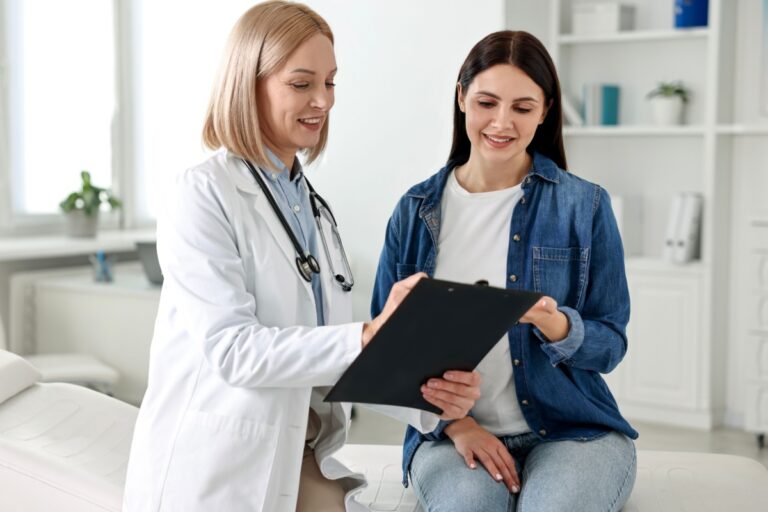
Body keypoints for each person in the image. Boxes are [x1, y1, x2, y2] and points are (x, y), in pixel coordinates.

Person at [122, 3, 481, 511]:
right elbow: (233, 350)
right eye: (301, 83)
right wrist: (365, 335)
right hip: (222, 467)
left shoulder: (309, 205)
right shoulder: (202, 193)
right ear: (250, 83)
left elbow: (323, 358)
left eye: (331, 83)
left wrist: (432, 398)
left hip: (300, 449)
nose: (323, 101)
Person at [371, 30, 639, 511]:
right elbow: (384, 349)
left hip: (572, 432)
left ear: (545, 111)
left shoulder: (586, 206)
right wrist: (458, 424)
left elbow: (610, 344)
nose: (501, 122)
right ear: (461, 97)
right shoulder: (415, 211)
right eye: (486, 102)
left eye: (522, 107)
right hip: (451, 438)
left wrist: (552, 322)